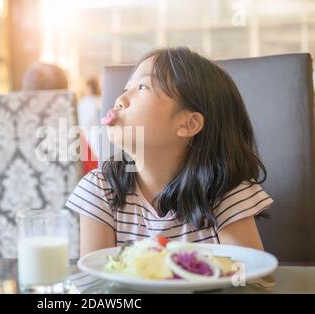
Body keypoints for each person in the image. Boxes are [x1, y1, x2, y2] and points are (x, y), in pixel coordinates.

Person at [65, 47, 273, 256]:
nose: (121, 99)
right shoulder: (100, 189)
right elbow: (95, 282)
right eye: (126, 88)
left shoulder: (225, 190)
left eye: (143, 87)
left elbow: (248, 277)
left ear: (189, 123)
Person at [77, 78, 102, 173]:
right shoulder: (101, 99)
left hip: (89, 133)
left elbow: (83, 122)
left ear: (89, 88)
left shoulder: (86, 102)